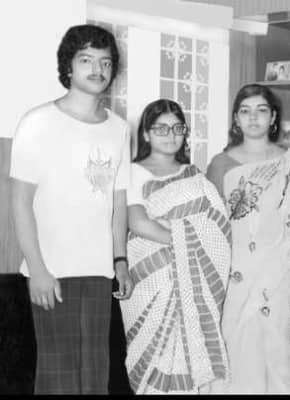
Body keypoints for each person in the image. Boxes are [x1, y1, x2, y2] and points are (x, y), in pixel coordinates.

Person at [10, 24, 133, 394]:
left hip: (98, 271)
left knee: (95, 374)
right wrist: (37, 269)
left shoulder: (118, 128)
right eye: (86, 60)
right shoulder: (37, 121)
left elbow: (118, 201)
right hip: (52, 270)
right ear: (68, 66)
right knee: (58, 376)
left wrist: (120, 260)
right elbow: (20, 202)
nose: (97, 69)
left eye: (105, 62)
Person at [119, 99, 231, 394]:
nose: (170, 135)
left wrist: (181, 237)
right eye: (161, 128)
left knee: (189, 359)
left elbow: (218, 226)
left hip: (195, 281)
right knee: (149, 356)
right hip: (149, 281)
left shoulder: (195, 177)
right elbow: (137, 223)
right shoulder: (132, 173)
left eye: (177, 128)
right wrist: (187, 240)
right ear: (146, 133)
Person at [206, 84, 290, 394]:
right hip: (236, 268)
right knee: (236, 339)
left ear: (273, 117)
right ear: (236, 119)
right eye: (245, 111)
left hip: (279, 266)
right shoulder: (221, 163)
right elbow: (212, 222)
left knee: (275, 340)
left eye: (261, 110)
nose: (253, 117)